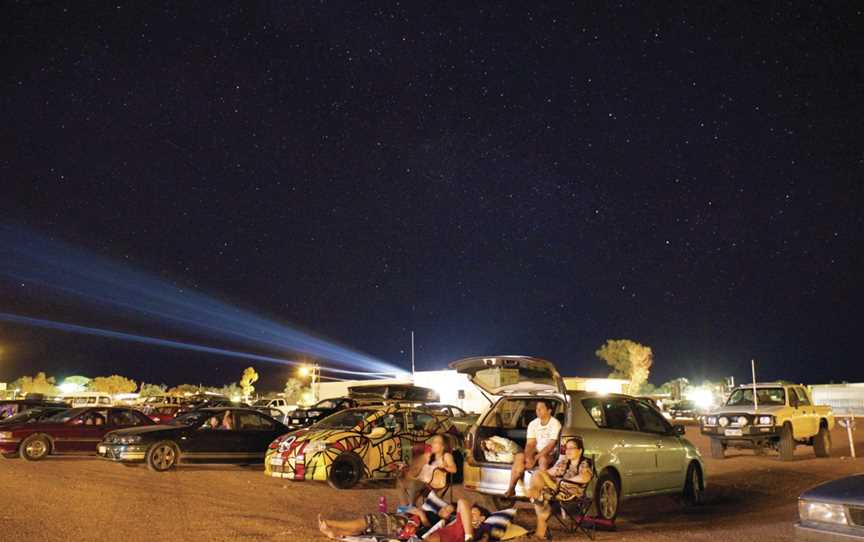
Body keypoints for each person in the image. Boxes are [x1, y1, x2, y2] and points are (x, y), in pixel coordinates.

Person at [317, 499, 489, 542]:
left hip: (412, 530)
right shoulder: (456, 521)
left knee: (374, 531)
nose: (469, 514)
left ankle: (335, 532)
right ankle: (335, 530)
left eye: (474, 513)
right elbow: (463, 503)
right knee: (374, 530)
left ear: (481, 517)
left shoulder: (482, 529)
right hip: (414, 531)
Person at [528, 436, 593, 540]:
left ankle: (534, 494)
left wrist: (563, 481)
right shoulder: (564, 463)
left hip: (569, 493)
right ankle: (539, 533)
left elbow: (585, 477)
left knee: (538, 482)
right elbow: (549, 472)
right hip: (555, 489)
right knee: (537, 475)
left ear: (580, 451)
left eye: (572, 448)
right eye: (567, 448)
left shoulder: (584, 463)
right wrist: (545, 476)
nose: (568, 451)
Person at [504, 400, 562, 497]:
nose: (537, 411)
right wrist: (528, 457)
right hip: (536, 451)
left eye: (541, 408)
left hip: (550, 454)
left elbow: (551, 445)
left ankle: (541, 491)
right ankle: (511, 488)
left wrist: (535, 458)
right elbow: (530, 444)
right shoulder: (533, 424)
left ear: (549, 411)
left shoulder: (555, 424)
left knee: (542, 460)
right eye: (537, 408)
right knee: (519, 457)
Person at [397, 434, 458, 506]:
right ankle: (405, 506)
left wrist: (444, 467)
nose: (432, 444)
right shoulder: (429, 455)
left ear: (443, 446)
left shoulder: (446, 456)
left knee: (414, 484)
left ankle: (411, 506)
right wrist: (405, 467)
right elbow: (416, 468)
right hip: (422, 481)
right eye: (433, 442)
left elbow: (454, 470)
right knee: (400, 482)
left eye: (436, 442)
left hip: (434, 483)